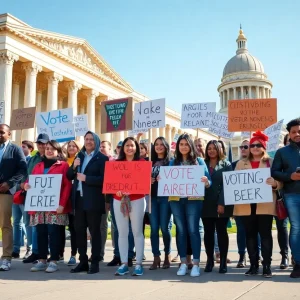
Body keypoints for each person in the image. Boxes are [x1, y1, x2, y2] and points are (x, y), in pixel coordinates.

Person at [235, 131, 281, 278]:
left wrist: (275, 184)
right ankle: (253, 265)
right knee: (250, 235)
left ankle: (266, 266)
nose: (254, 147)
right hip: (246, 205)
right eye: (252, 145)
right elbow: (234, 183)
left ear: (263, 147)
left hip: (265, 205)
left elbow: (280, 182)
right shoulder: (240, 164)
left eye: (258, 145)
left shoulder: (271, 162)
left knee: (266, 235)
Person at [24, 140, 72, 273]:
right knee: (41, 233)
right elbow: (30, 181)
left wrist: (62, 204)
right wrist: (26, 185)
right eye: (47, 149)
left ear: (58, 151)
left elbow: (67, 186)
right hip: (40, 206)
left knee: (54, 232)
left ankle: (54, 260)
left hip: (55, 206)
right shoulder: (38, 165)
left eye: (52, 149)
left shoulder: (63, 166)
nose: (49, 151)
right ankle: (42, 260)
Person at [169, 134, 211, 277]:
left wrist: (205, 181)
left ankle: (196, 264)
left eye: (186, 144)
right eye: (181, 144)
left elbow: (208, 182)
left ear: (191, 146)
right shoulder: (173, 162)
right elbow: (167, 180)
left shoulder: (199, 161)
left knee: (193, 230)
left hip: (194, 199)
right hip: (176, 200)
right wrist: (162, 179)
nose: (183, 147)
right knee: (181, 231)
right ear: (178, 146)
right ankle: (183, 263)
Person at [67, 131, 108, 274]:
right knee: (79, 231)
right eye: (86, 139)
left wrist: (87, 179)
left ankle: (95, 261)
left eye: (91, 139)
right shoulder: (80, 156)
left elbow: (105, 180)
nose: (89, 141)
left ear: (96, 141)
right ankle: (82, 261)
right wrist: (73, 167)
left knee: (94, 232)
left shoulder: (102, 158)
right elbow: (69, 176)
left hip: (93, 200)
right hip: (78, 199)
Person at [113, 137, 147, 276]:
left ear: (136, 148)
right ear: (123, 148)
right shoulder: (115, 164)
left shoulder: (142, 163)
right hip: (119, 200)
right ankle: (124, 263)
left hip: (137, 200)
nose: (129, 148)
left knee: (137, 231)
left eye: (132, 145)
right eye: (127, 145)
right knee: (122, 232)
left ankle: (138, 263)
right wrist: (117, 190)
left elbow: (144, 184)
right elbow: (112, 183)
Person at [272, 118, 300, 278]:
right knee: (296, 228)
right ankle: (297, 263)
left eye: (299, 131)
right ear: (289, 134)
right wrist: (291, 176)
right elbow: (275, 172)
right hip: (292, 195)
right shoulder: (282, 152)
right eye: (294, 132)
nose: (297, 134)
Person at [202, 140, 233, 274]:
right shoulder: (202, 164)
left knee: (221, 233)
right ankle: (210, 260)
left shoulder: (226, 164)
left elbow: (228, 185)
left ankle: (223, 261)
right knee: (208, 233)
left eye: (215, 148)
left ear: (220, 149)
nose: (211, 150)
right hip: (205, 204)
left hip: (222, 203)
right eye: (209, 148)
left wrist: (222, 203)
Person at [0, 124, 27, 271]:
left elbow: (23, 169)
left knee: (5, 224)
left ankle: (6, 257)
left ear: (9, 134)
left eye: (1, 132)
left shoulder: (15, 149)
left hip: (5, 191)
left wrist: (10, 183)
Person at [22, 133, 50, 264]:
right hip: (33, 196)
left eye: (44, 143)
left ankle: (46, 252)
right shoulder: (33, 159)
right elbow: (27, 174)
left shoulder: (51, 157)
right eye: (39, 143)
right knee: (34, 224)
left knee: (47, 226)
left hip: (48, 196)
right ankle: (36, 252)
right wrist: (23, 184)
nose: (41, 146)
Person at [149, 137, 172, 270]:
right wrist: (148, 180)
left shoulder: (170, 162)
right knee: (153, 229)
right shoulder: (149, 162)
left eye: (161, 144)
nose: (158, 146)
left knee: (164, 228)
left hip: (165, 198)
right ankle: (156, 257)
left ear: (166, 146)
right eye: (156, 144)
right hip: (152, 198)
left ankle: (167, 255)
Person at [64, 140, 81, 266]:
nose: (71, 148)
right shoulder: (63, 161)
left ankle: (74, 254)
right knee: (69, 227)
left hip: (76, 197)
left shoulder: (80, 159)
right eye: (69, 146)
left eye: (73, 146)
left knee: (76, 228)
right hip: (64, 197)